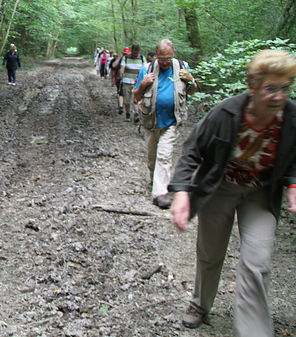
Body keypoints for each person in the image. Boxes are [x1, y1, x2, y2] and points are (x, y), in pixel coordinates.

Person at [169, 49, 296, 336]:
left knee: (258, 262)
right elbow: (191, 151)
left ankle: (252, 331)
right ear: (252, 87)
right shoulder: (225, 113)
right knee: (210, 253)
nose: (279, 96)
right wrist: (180, 192)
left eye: (285, 88)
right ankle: (200, 305)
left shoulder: (291, 116)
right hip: (220, 187)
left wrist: (293, 184)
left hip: (261, 192)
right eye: (271, 88)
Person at [133, 39, 197, 209]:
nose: (164, 62)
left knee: (164, 155)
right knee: (152, 156)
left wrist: (191, 80)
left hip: (172, 121)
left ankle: (160, 194)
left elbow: (192, 90)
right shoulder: (146, 69)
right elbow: (136, 97)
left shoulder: (183, 66)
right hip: (150, 121)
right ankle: (154, 179)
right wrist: (143, 84)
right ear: (156, 57)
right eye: (161, 59)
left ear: (173, 54)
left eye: (168, 59)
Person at [120, 44, 145, 122]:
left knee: (137, 98)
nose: (135, 54)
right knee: (127, 99)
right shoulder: (126, 57)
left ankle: (136, 113)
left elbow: (144, 69)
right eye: (134, 52)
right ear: (132, 51)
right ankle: (128, 112)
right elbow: (122, 67)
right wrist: (121, 74)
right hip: (127, 81)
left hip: (137, 82)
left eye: (137, 53)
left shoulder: (142, 58)